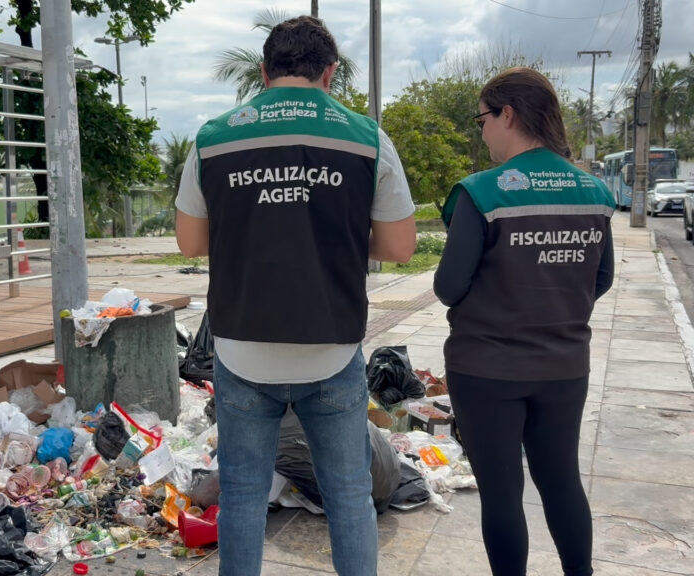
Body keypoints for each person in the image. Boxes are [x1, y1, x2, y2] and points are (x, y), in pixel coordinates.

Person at [175, 16, 416, 576]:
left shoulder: (214, 137)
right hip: (330, 347)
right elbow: (401, 246)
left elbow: (190, 242)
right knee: (349, 496)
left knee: (240, 494)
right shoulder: (365, 137)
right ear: (330, 72)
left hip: (241, 346)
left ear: (264, 72)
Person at [433, 67, 615, 576]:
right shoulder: (593, 192)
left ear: (507, 114)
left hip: (487, 367)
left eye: (483, 119)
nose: (483, 131)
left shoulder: (482, 192)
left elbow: (449, 286)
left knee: (503, 493)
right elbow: (601, 278)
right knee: (561, 481)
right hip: (564, 366)